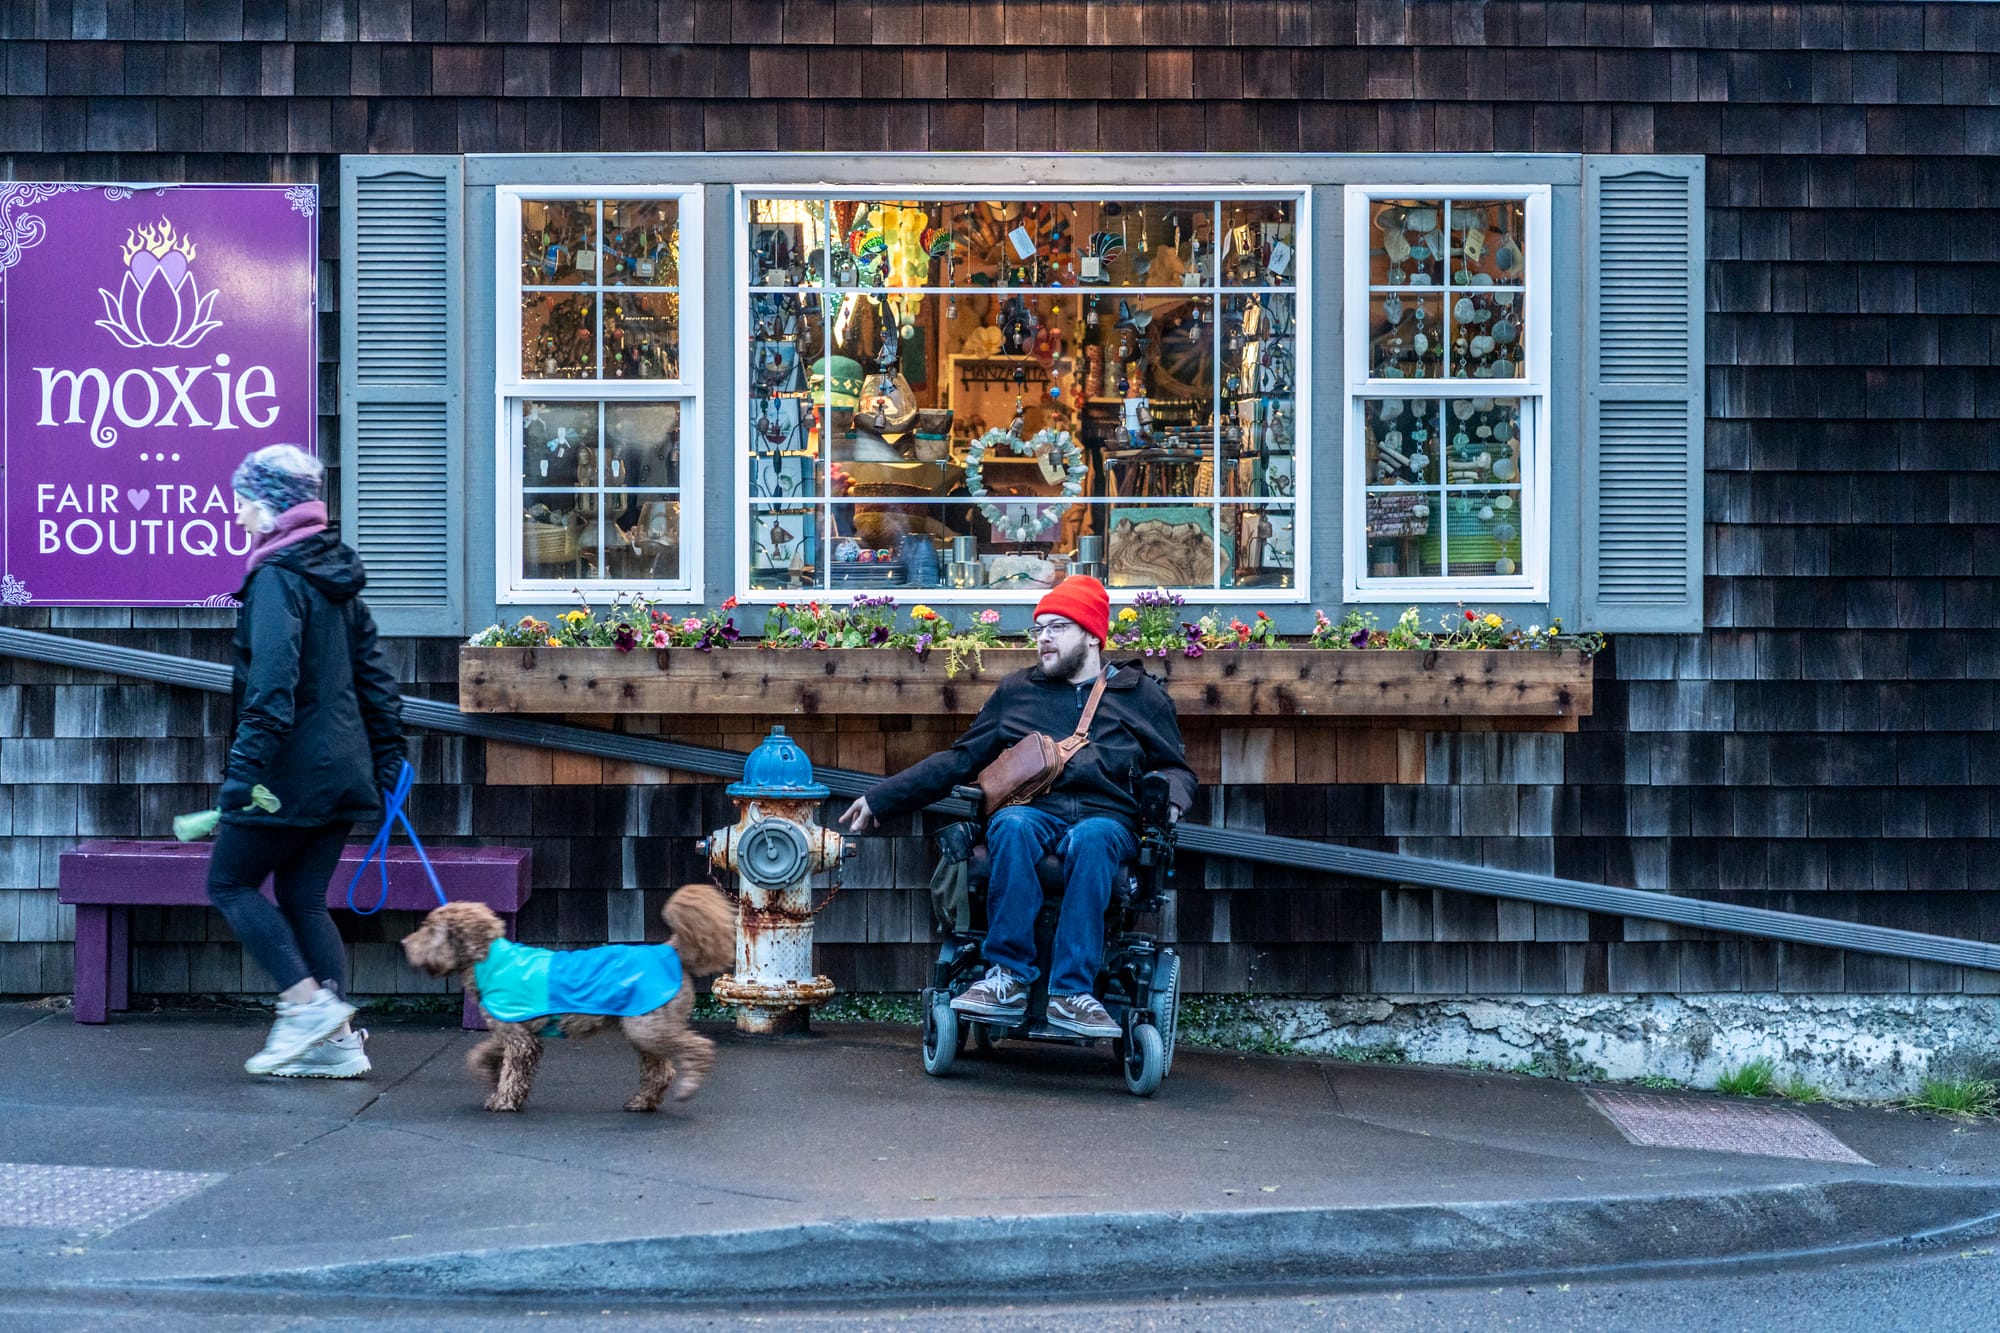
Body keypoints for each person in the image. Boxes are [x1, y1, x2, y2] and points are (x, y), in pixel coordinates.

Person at [840, 576, 1196, 1038]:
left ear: (1092, 635)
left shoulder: (1139, 695)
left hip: (1106, 819)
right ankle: (1007, 976)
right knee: (1010, 823)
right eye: (1039, 628)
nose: (1043, 637)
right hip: (1035, 813)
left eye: (1057, 627)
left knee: (1092, 838)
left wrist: (1168, 800)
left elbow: (1177, 769)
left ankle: (1072, 993)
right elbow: (960, 759)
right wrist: (881, 798)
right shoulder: (1017, 692)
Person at [206, 444, 406, 1078]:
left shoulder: (276, 580)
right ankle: (338, 1045)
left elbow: (271, 688)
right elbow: (377, 682)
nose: (236, 518)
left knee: (229, 883)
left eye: (240, 505)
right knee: (303, 896)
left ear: (268, 511)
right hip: (342, 773)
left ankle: (305, 1005)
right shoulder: (338, 577)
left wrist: (243, 778)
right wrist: (388, 766)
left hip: (285, 775)